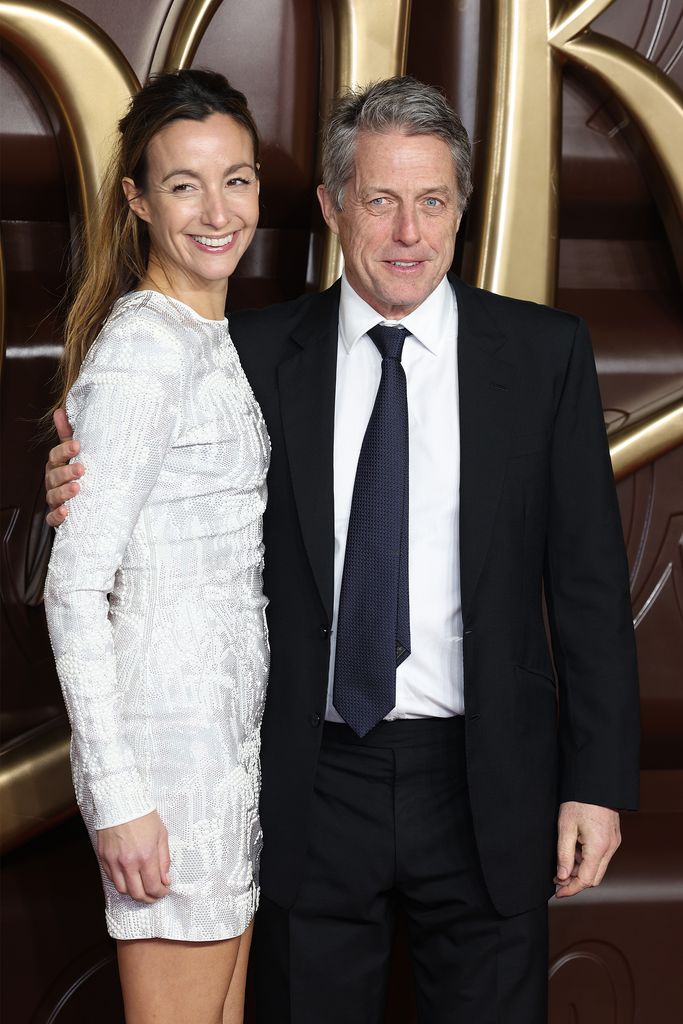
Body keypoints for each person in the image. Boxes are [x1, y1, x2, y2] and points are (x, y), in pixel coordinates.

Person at [45, 77, 640, 1023]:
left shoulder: (542, 355)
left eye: (432, 200)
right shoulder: (245, 350)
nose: (408, 232)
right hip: (308, 787)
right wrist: (75, 480)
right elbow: (158, 484)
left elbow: (588, 586)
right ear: (330, 205)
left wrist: (598, 785)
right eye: (379, 200)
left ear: (461, 207)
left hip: (488, 780)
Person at [43, 69, 270, 1024]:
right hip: (168, 772)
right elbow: (73, 588)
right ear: (136, 201)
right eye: (183, 184)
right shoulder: (143, 353)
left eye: (238, 179)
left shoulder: (207, 337)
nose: (217, 211)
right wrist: (119, 792)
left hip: (226, 755)